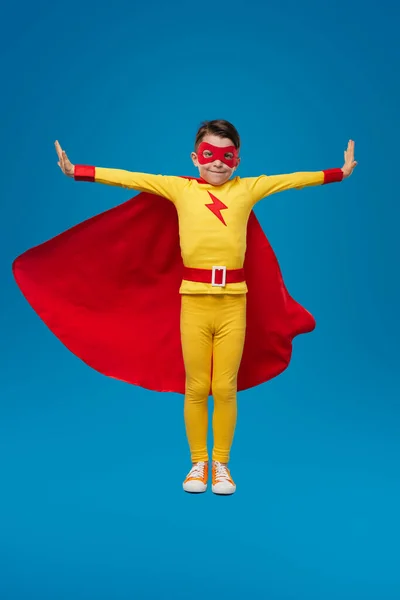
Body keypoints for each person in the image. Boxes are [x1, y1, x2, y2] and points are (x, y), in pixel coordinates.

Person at [17, 120, 357, 496]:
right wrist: (77, 171)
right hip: (193, 302)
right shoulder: (180, 189)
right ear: (196, 157)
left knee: (225, 387)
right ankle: (198, 463)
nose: (217, 163)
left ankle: (221, 465)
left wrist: (338, 173)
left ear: (238, 161)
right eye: (209, 155)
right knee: (196, 386)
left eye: (227, 156)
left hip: (233, 303)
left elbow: (293, 180)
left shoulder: (248, 189)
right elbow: (132, 178)